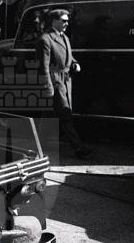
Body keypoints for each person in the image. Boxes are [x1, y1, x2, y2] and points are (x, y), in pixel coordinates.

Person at [36, 9, 92, 158]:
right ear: (54, 21)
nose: (67, 23)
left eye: (67, 20)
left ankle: (38, 148)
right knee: (65, 115)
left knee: (49, 115)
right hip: (55, 81)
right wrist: (48, 87)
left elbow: (68, 56)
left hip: (66, 81)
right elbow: (43, 67)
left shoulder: (64, 37)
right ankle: (78, 148)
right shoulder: (45, 39)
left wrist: (74, 63)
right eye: (64, 20)